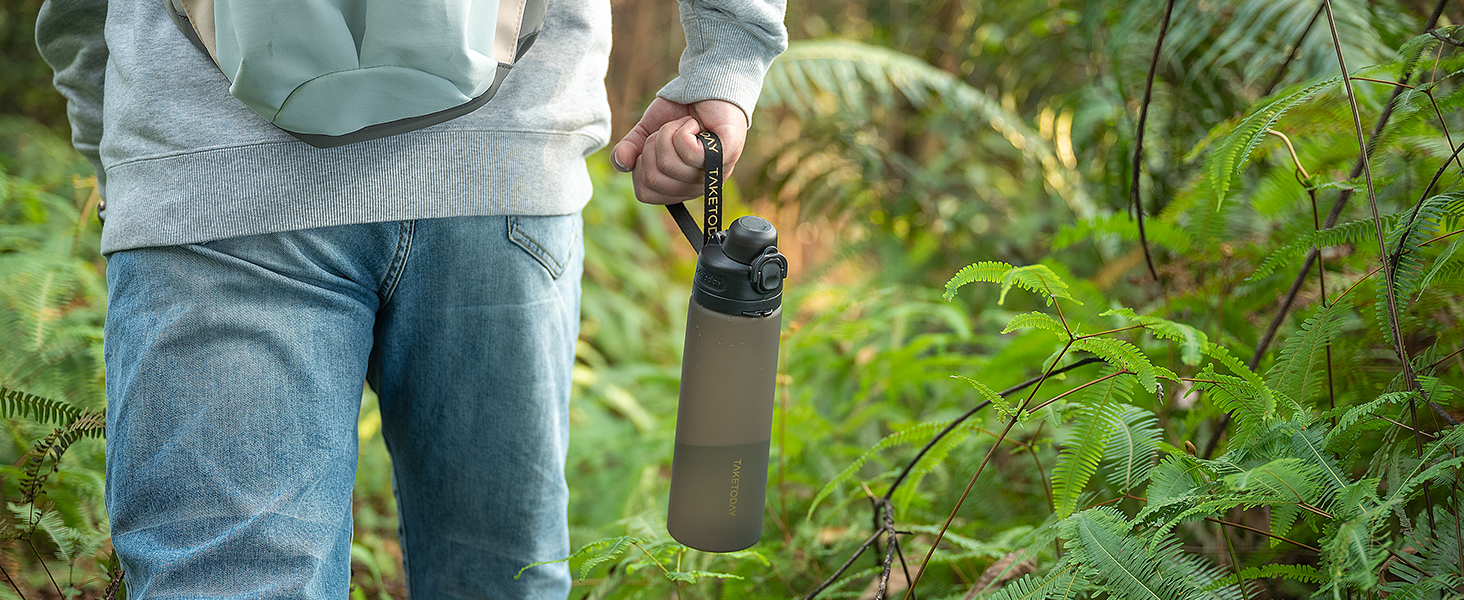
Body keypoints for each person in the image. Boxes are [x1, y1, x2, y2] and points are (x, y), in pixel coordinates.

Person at [35, 0, 787, 597]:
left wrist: (121, 144)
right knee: (498, 578)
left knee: (230, 581)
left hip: (208, 174)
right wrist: (726, 59)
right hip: (507, 158)